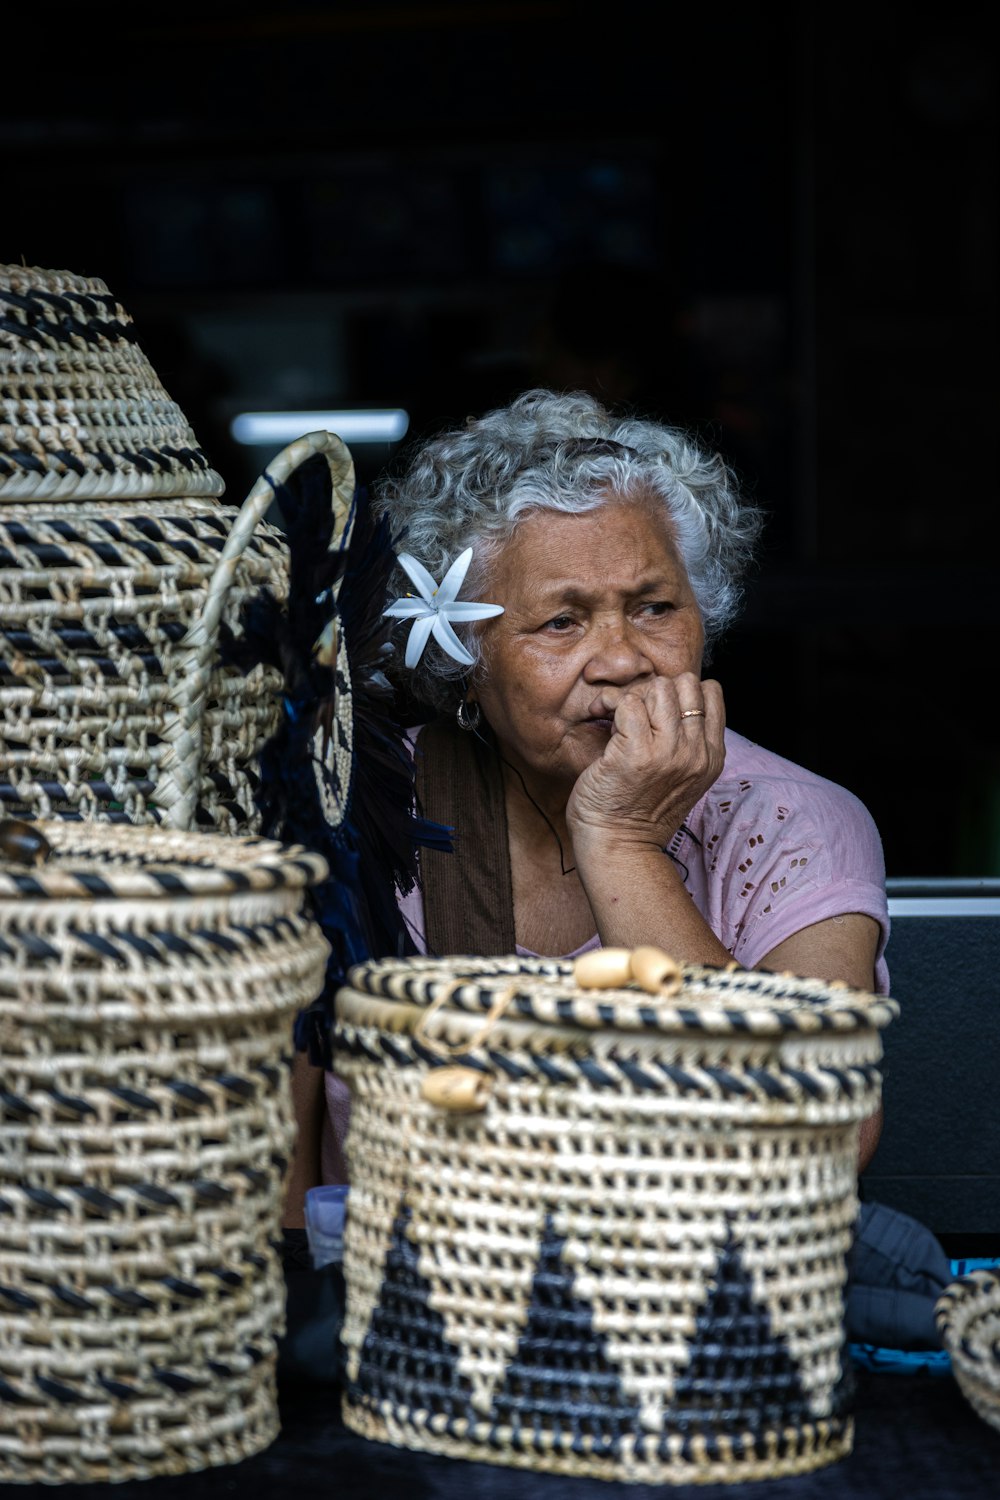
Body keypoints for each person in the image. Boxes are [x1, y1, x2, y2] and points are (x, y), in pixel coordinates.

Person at [315, 386, 890, 1188]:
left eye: (654, 607)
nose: (621, 659)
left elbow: (818, 1143)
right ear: (463, 659)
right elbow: (276, 1158)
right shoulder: (353, 810)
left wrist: (621, 841)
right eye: (561, 622)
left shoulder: (796, 823)